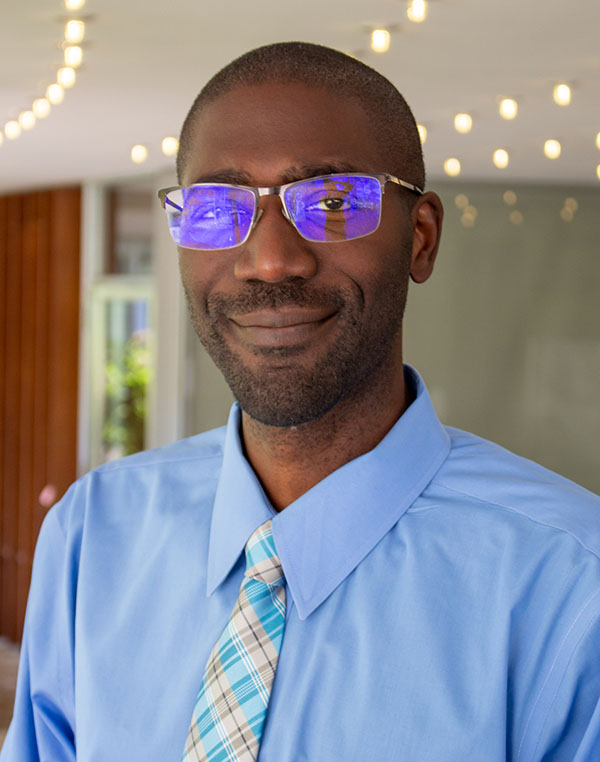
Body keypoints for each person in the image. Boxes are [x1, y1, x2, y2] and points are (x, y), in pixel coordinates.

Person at [2, 42, 600, 762]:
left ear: (421, 238)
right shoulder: (94, 536)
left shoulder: (572, 585)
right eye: (218, 206)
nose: (270, 259)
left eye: (334, 201)